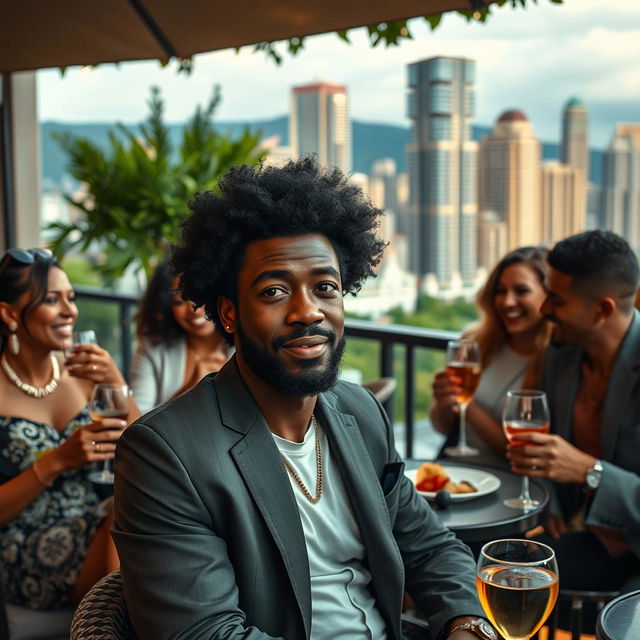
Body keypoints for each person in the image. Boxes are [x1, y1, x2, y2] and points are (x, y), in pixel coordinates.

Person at [113, 158, 497, 640]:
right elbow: (205, 632)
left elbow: (430, 547)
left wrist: (467, 624)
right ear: (229, 314)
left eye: (325, 287)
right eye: (274, 291)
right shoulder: (164, 453)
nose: (307, 311)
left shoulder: (362, 413)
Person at [0, 249, 139, 622]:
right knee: (124, 520)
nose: (69, 311)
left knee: (143, 508)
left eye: (71, 298)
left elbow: (147, 444)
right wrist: (59, 460)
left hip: (99, 517)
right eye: (51, 300)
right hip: (27, 543)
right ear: (10, 314)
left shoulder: (83, 369)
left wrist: (117, 383)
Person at [509, 230, 640, 600]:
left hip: (634, 550)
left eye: (557, 299)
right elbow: (548, 445)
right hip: (579, 537)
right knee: (476, 567)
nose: (544, 308)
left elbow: (578, 463)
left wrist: (589, 472)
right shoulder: (562, 354)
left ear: (603, 310)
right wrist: (548, 491)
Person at [430, 247, 552, 468]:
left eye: (521, 291)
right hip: (455, 473)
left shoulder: (555, 360)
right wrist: (443, 402)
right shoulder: (474, 341)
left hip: (510, 482)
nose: (507, 301)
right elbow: (442, 427)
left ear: (548, 295)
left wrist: (469, 402)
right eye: (500, 290)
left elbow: (520, 449)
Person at [130, 262, 230, 412]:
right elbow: (136, 422)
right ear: (166, 306)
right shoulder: (152, 348)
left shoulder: (246, 344)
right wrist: (191, 389)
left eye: (200, 296)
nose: (194, 310)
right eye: (179, 302)